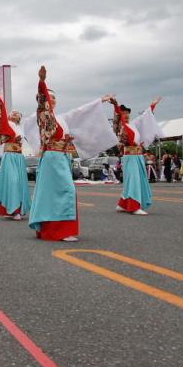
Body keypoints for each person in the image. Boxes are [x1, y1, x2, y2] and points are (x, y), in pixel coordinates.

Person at [27, 66, 117, 241]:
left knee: (57, 191)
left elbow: (80, 112)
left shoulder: (62, 118)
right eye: (49, 97)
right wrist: (42, 82)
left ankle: (54, 228)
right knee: (65, 190)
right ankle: (59, 230)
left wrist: (100, 101)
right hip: (52, 157)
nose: (52, 99)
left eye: (54, 97)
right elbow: (43, 100)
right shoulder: (43, 114)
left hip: (61, 157)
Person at [109, 96, 163, 215]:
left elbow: (144, 117)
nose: (126, 115)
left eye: (127, 113)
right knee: (134, 181)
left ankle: (123, 204)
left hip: (137, 156)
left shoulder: (133, 124)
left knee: (134, 180)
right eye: (123, 113)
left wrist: (152, 105)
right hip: (130, 156)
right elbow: (117, 116)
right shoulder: (121, 126)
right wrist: (115, 105)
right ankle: (133, 207)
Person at [0, 85, 30, 220]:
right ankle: (13, 209)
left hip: (19, 157)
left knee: (20, 183)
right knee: (12, 181)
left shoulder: (20, 128)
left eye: (17, 113)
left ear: (19, 118)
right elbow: (1, 113)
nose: (14, 114)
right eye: (12, 113)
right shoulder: (7, 125)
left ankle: (18, 209)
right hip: (9, 156)